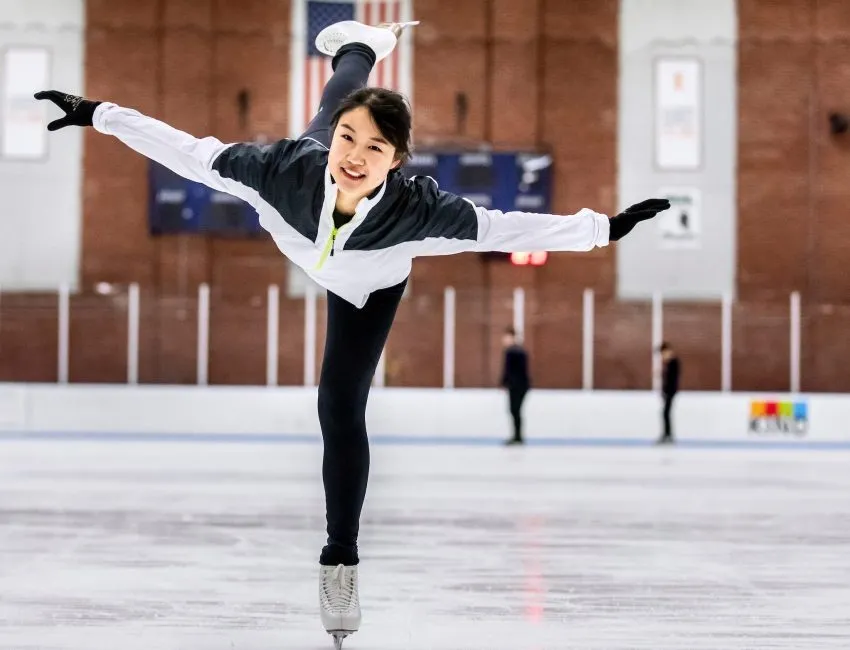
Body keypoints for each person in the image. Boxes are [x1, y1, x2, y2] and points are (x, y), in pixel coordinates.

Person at [35, 19, 671, 647]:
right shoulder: (282, 169)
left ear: (397, 160)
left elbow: (506, 227)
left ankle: (339, 563)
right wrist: (99, 114)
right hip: (302, 206)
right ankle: (363, 45)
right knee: (325, 115)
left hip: (369, 282)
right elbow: (188, 152)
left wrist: (602, 229)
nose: (355, 156)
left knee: (339, 405)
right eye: (350, 140)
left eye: (374, 148)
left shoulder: (419, 211)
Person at [500, 327, 530, 445]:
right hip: (520, 385)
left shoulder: (512, 352)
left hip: (516, 385)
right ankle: (517, 436)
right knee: (515, 411)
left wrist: (505, 382)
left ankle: (517, 436)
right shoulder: (519, 351)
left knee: (515, 410)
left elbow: (508, 370)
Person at [657, 341, 681, 444]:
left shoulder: (673, 362)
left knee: (666, 413)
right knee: (665, 413)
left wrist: (667, 392)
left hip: (670, 392)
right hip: (668, 392)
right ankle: (667, 434)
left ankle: (668, 435)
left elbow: (673, 380)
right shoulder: (669, 363)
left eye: (663, 353)